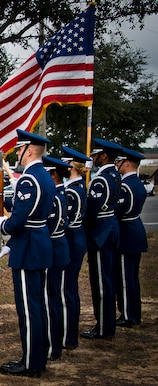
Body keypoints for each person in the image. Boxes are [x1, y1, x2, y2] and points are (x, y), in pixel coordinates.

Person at [0, 130, 55, 378]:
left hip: (29, 248)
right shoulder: (45, 177)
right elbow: (32, 211)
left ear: (29, 150)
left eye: (19, 149)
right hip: (38, 245)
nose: (17, 153)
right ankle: (38, 356)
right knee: (37, 306)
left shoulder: (29, 180)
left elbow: (18, 221)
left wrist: (1, 225)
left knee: (28, 309)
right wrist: (3, 201)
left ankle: (31, 363)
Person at [81, 138, 123, 340]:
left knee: (101, 281)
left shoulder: (101, 179)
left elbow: (92, 212)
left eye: (96, 155)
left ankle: (104, 326)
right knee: (107, 278)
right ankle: (107, 323)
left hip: (101, 232)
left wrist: (85, 229)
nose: (93, 158)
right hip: (111, 227)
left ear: (104, 155)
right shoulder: (115, 175)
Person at [60, 146, 91, 350]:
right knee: (69, 288)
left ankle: (68, 335)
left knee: (67, 289)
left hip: (71, 240)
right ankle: (69, 334)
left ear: (71, 166)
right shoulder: (79, 187)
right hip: (77, 239)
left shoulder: (72, 191)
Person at [114, 146, 148, 328]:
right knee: (131, 277)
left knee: (126, 277)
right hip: (135, 230)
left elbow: (119, 210)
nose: (117, 164)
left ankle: (128, 315)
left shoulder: (126, 186)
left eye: (119, 162)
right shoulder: (136, 183)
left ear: (127, 163)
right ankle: (133, 312)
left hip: (127, 232)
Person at [42, 156, 71, 361]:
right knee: (54, 298)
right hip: (59, 248)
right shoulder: (60, 194)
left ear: (54, 175)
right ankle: (56, 342)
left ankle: (53, 346)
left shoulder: (55, 197)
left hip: (53, 250)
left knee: (52, 299)